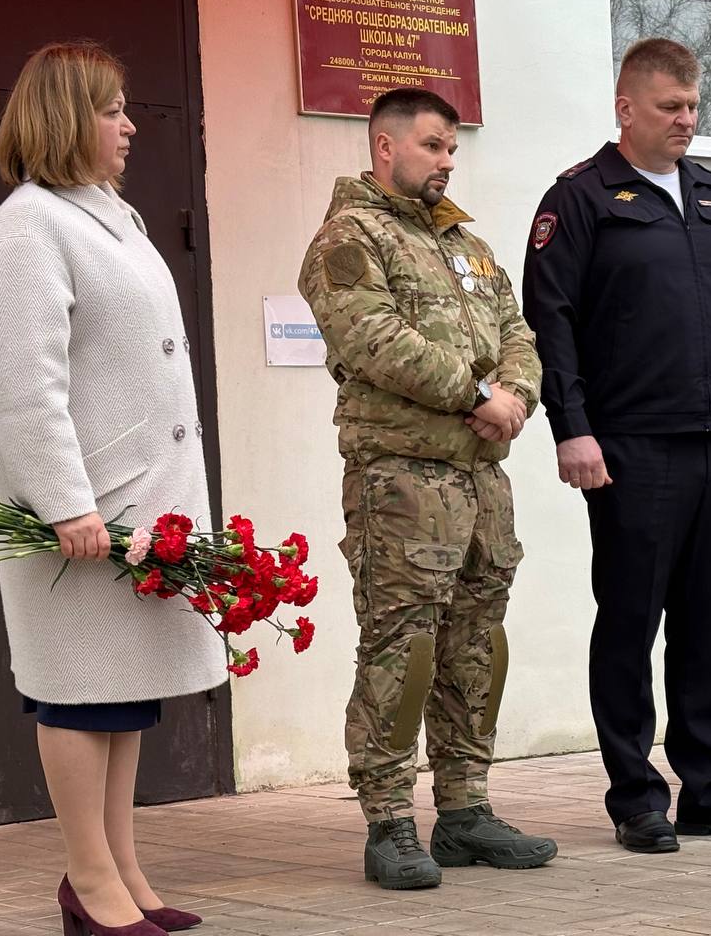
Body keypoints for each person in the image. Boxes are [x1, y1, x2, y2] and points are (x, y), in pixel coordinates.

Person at [521, 38, 711, 854]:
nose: (687, 120)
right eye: (671, 107)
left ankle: (709, 788)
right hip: (629, 447)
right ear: (626, 108)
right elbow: (550, 322)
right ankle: (636, 797)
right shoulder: (580, 198)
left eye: (693, 106)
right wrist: (571, 426)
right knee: (630, 622)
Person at [0, 42, 225, 935]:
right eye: (111, 110)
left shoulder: (112, 218)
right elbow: (23, 386)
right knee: (79, 694)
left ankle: (121, 871)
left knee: (122, 699)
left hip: (141, 507)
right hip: (86, 514)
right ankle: (88, 878)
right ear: (65, 118)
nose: (129, 126)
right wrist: (64, 502)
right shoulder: (28, 227)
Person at [298, 87, 555, 890]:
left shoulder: (466, 245)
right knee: (402, 648)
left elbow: (518, 334)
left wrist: (514, 396)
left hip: (481, 481)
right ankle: (388, 822)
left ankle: (465, 810)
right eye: (434, 146)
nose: (448, 160)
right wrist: (477, 395)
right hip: (402, 482)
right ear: (386, 147)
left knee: (476, 644)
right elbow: (372, 339)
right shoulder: (350, 237)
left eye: (452, 148)